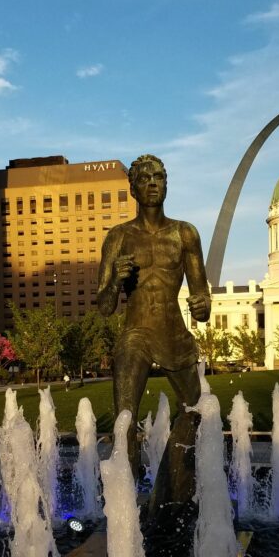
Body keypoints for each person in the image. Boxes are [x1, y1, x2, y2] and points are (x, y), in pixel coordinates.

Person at [96, 153, 211, 510]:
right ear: (132, 188)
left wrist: (203, 305)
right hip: (136, 333)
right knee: (125, 419)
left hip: (174, 333)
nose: (152, 183)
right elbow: (104, 306)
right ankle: (124, 506)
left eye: (158, 177)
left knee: (197, 413)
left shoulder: (184, 233)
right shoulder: (118, 237)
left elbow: (200, 293)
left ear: (166, 184)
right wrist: (116, 279)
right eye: (144, 178)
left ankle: (179, 491)